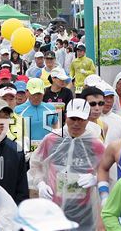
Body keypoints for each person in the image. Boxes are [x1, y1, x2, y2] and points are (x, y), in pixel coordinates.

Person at [29, 98, 105, 230]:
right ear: (65, 117)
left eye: (80, 119)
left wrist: (96, 179)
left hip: (83, 210)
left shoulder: (95, 144)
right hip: (54, 206)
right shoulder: (51, 139)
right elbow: (36, 163)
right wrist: (40, 183)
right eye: (72, 118)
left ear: (88, 119)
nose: (76, 123)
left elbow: (107, 170)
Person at [0, 99, 29, 204]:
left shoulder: (16, 150)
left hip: (8, 214)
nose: (2, 122)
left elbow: (22, 190)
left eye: (6, 117)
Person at [15, 78, 59, 153]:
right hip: (26, 152)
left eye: (39, 94)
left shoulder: (51, 108)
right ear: (27, 92)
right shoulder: (18, 110)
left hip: (47, 151)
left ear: (44, 92)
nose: (36, 97)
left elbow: (56, 127)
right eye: (33, 94)